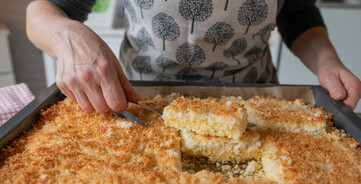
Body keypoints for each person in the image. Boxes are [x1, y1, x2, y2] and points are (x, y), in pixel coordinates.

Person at [26, 0, 361, 113]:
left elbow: (297, 15)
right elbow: (44, 11)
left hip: (254, 98)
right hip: (138, 101)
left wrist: (327, 61)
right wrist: (65, 33)